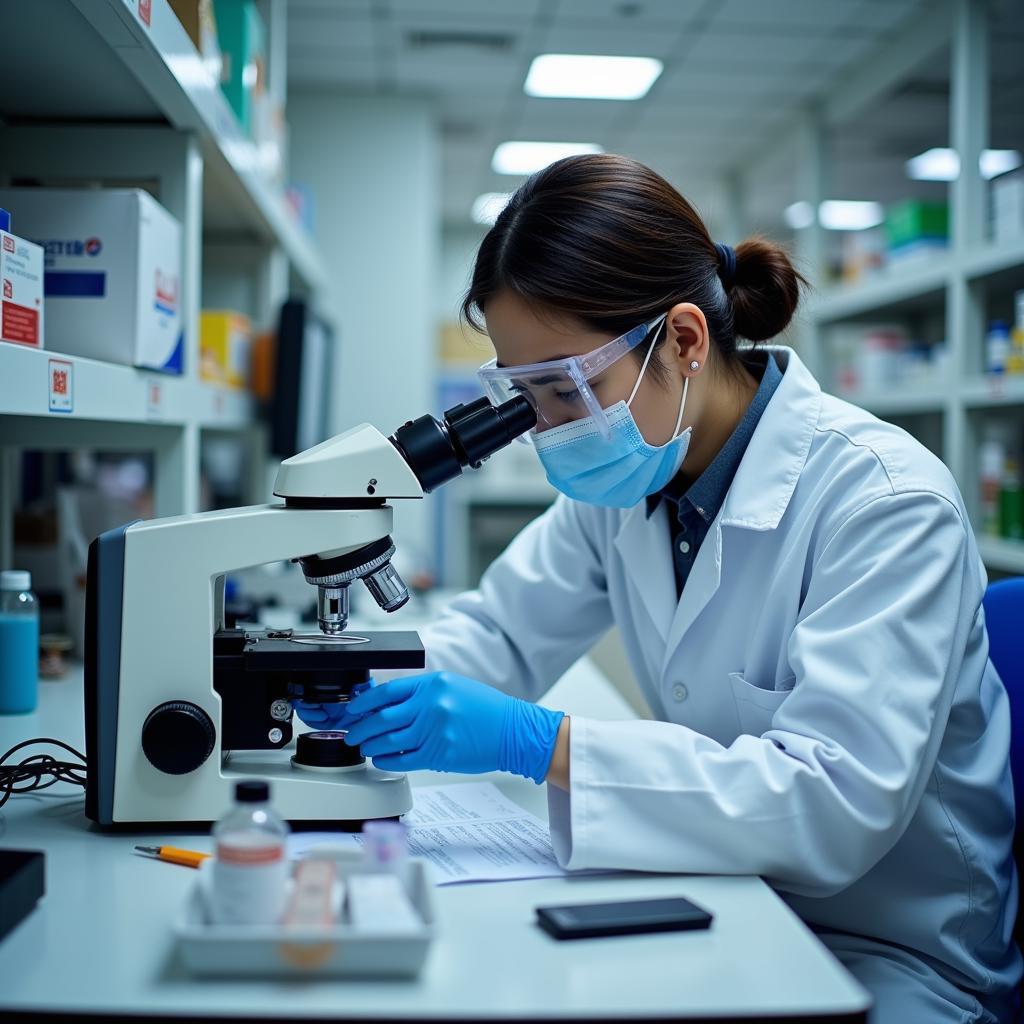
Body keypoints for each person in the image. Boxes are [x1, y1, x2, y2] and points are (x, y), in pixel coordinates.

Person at [296, 155, 1021, 1022]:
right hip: (724, 897)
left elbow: (833, 806)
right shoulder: (630, 482)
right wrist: (362, 684)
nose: (551, 430)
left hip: (897, 954)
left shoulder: (886, 502)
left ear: (683, 340)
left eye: (566, 388)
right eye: (526, 398)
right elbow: (499, 636)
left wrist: (539, 743)